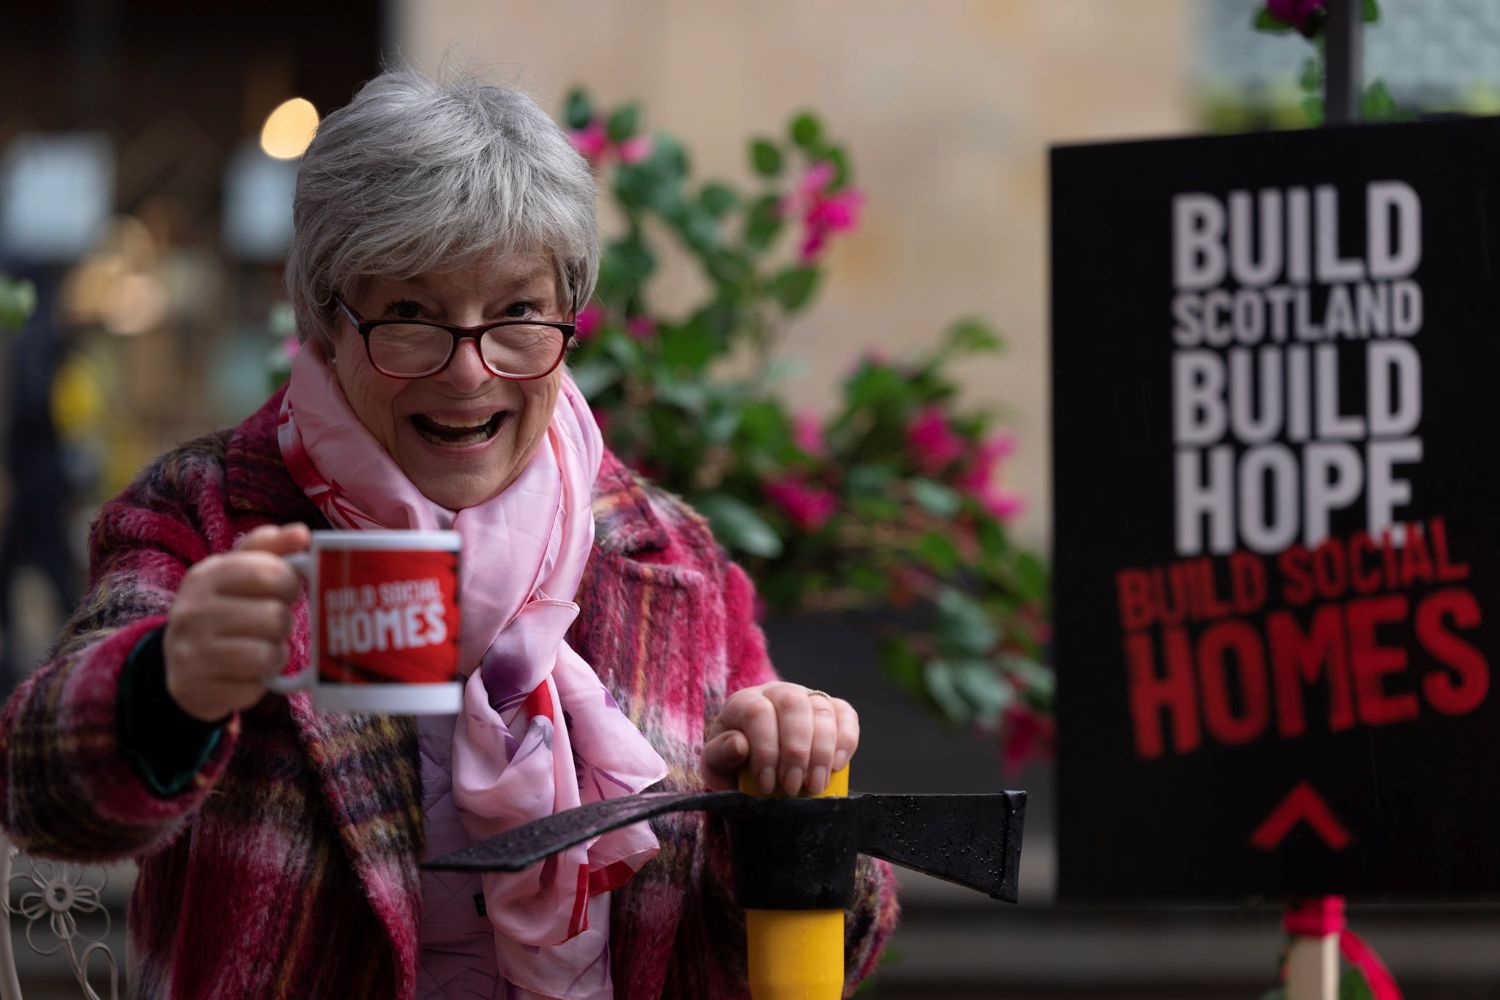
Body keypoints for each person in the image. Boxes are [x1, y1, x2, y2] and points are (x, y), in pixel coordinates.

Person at [0, 70, 896, 999]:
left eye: (517, 313)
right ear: (326, 322)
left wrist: (784, 799)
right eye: (410, 316)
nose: (469, 373)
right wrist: (169, 685)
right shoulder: (212, 516)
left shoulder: (667, 559)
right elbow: (39, 792)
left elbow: (830, 953)